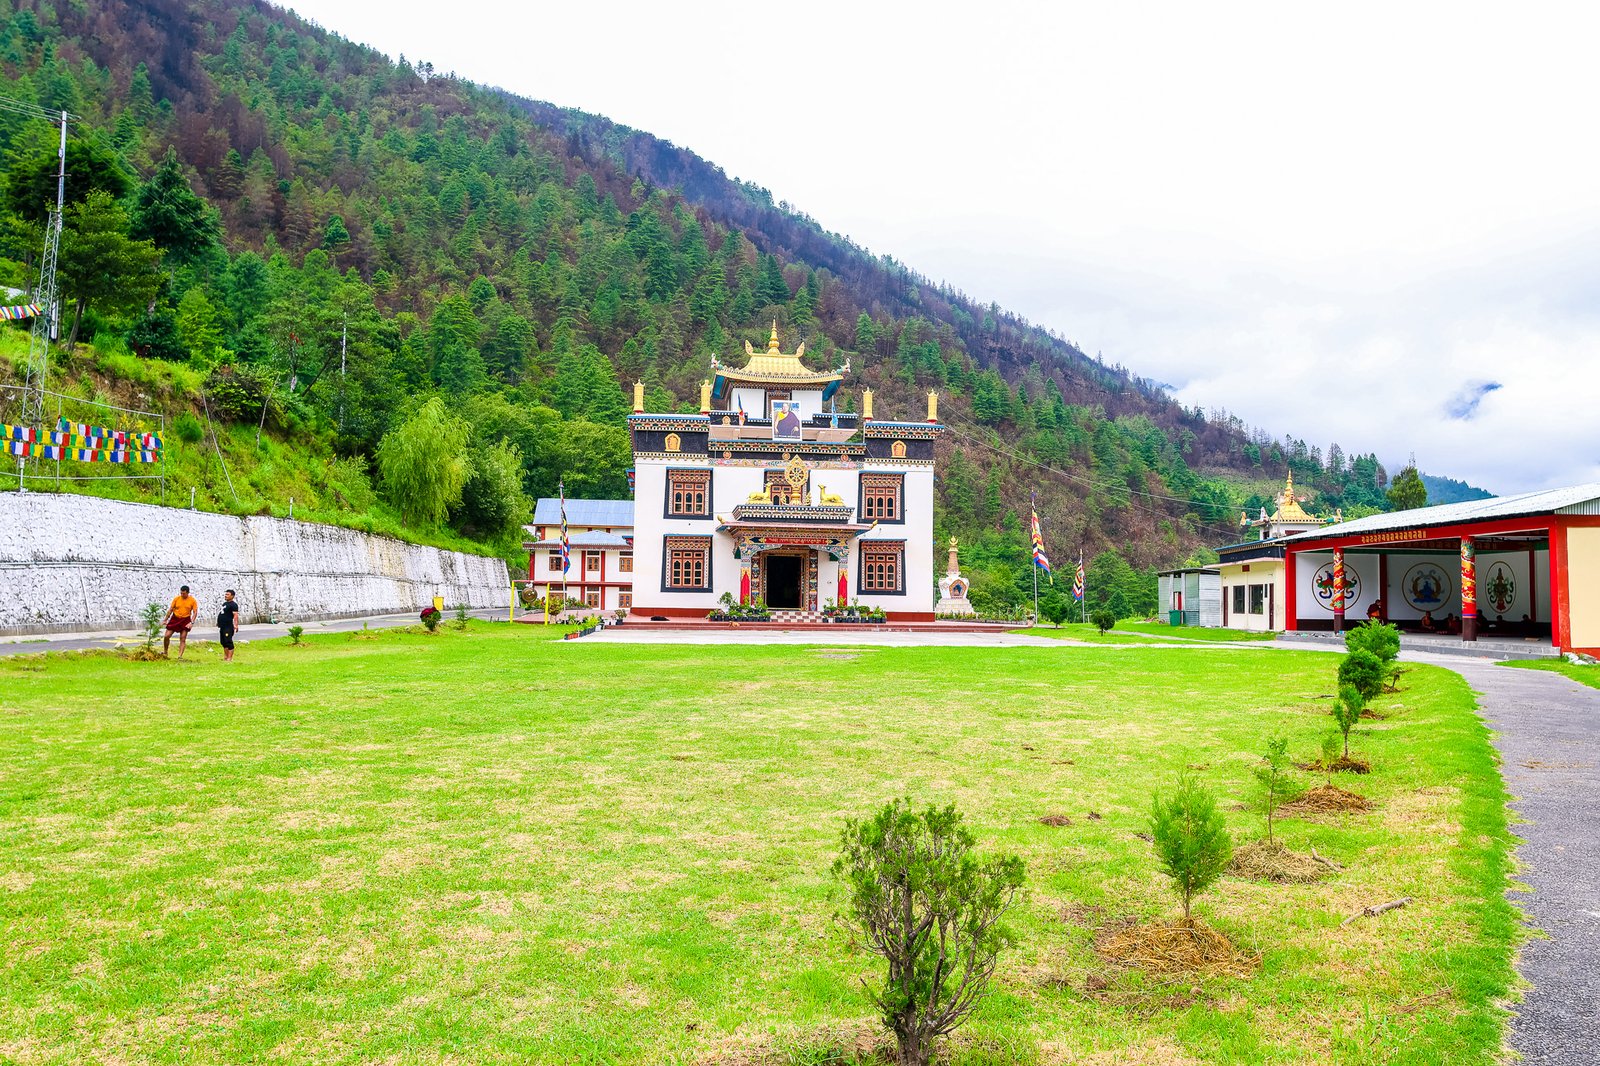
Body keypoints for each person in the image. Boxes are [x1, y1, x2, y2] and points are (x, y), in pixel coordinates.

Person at [163, 584, 199, 659]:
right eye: (181, 593)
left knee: (183, 638)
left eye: (184, 593)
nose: (182, 594)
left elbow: (195, 612)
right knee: (167, 636)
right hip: (175, 618)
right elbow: (170, 609)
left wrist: (191, 622)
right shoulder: (176, 599)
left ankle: (180, 656)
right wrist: (166, 619)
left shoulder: (192, 600)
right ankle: (165, 652)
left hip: (185, 619)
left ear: (188, 593)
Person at [217, 589, 240, 662]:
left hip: (228, 626)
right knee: (223, 642)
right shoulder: (225, 604)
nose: (225, 596)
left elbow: (235, 615)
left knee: (228, 641)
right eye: (225, 594)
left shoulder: (233, 605)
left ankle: (230, 658)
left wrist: (236, 625)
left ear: (232, 596)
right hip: (222, 626)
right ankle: (226, 657)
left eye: (228, 594)